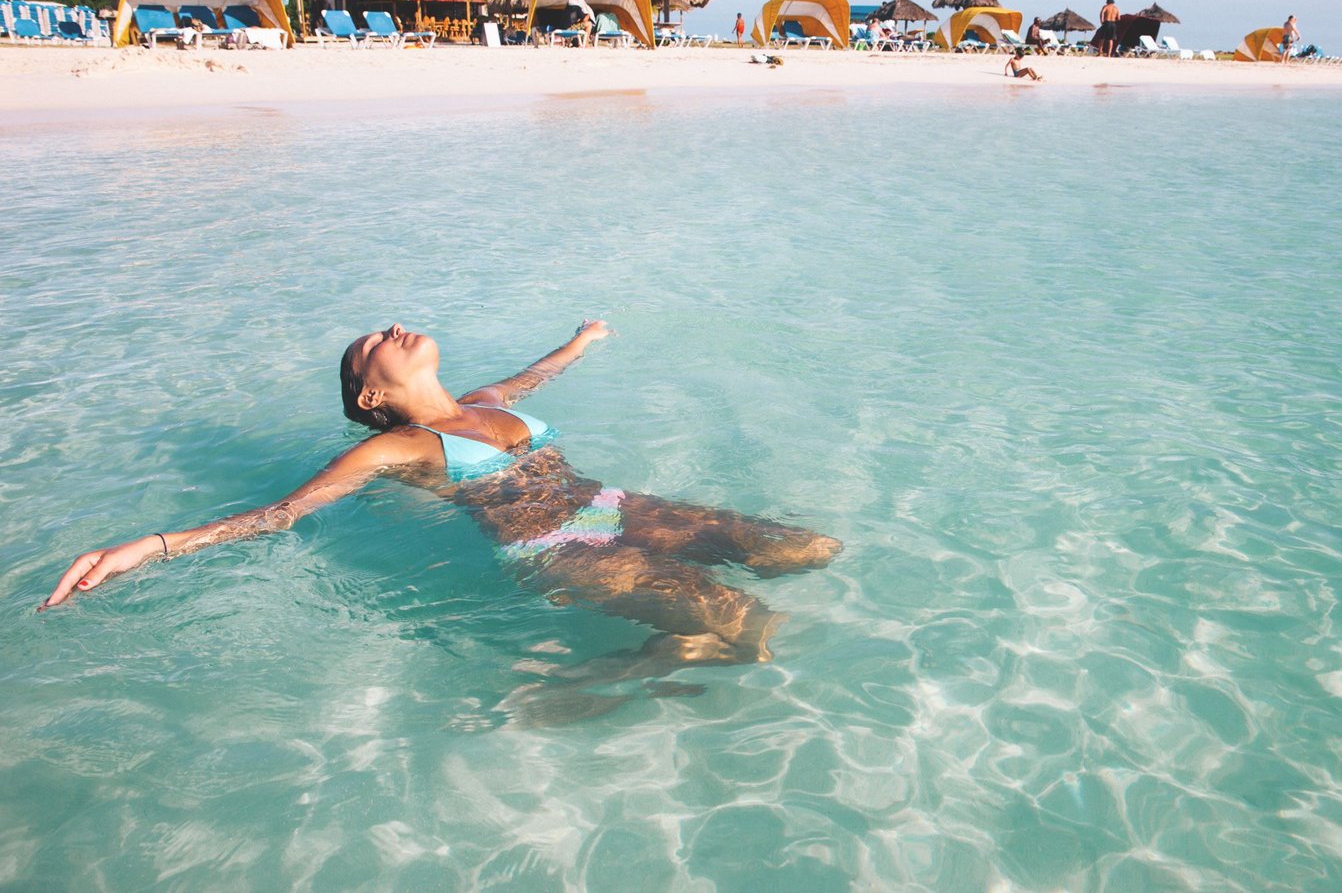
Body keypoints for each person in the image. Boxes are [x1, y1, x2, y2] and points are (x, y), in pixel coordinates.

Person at [42, 321, 841, 679]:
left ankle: (686, 648)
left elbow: (538, 375)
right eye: (373, 342)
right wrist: (148, 546)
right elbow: (279, 514)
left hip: (614, 504)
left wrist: (583, 338)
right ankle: (641, 666)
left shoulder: (487, 400)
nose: (392, 326)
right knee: (750, 625)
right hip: (558, 547)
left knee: (805, 549)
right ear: (370, 394)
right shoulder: (394, 447)